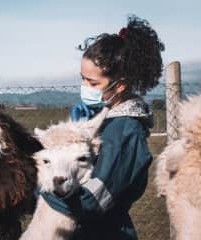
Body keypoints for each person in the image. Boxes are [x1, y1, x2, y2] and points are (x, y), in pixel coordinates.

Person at [40, 15, 165, 240]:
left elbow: (91, 200)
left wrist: (43, 189)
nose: (84, 87)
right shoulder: (105, 121)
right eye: (83, 79)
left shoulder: (125, 132)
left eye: (93, 83)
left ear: (121, 86)